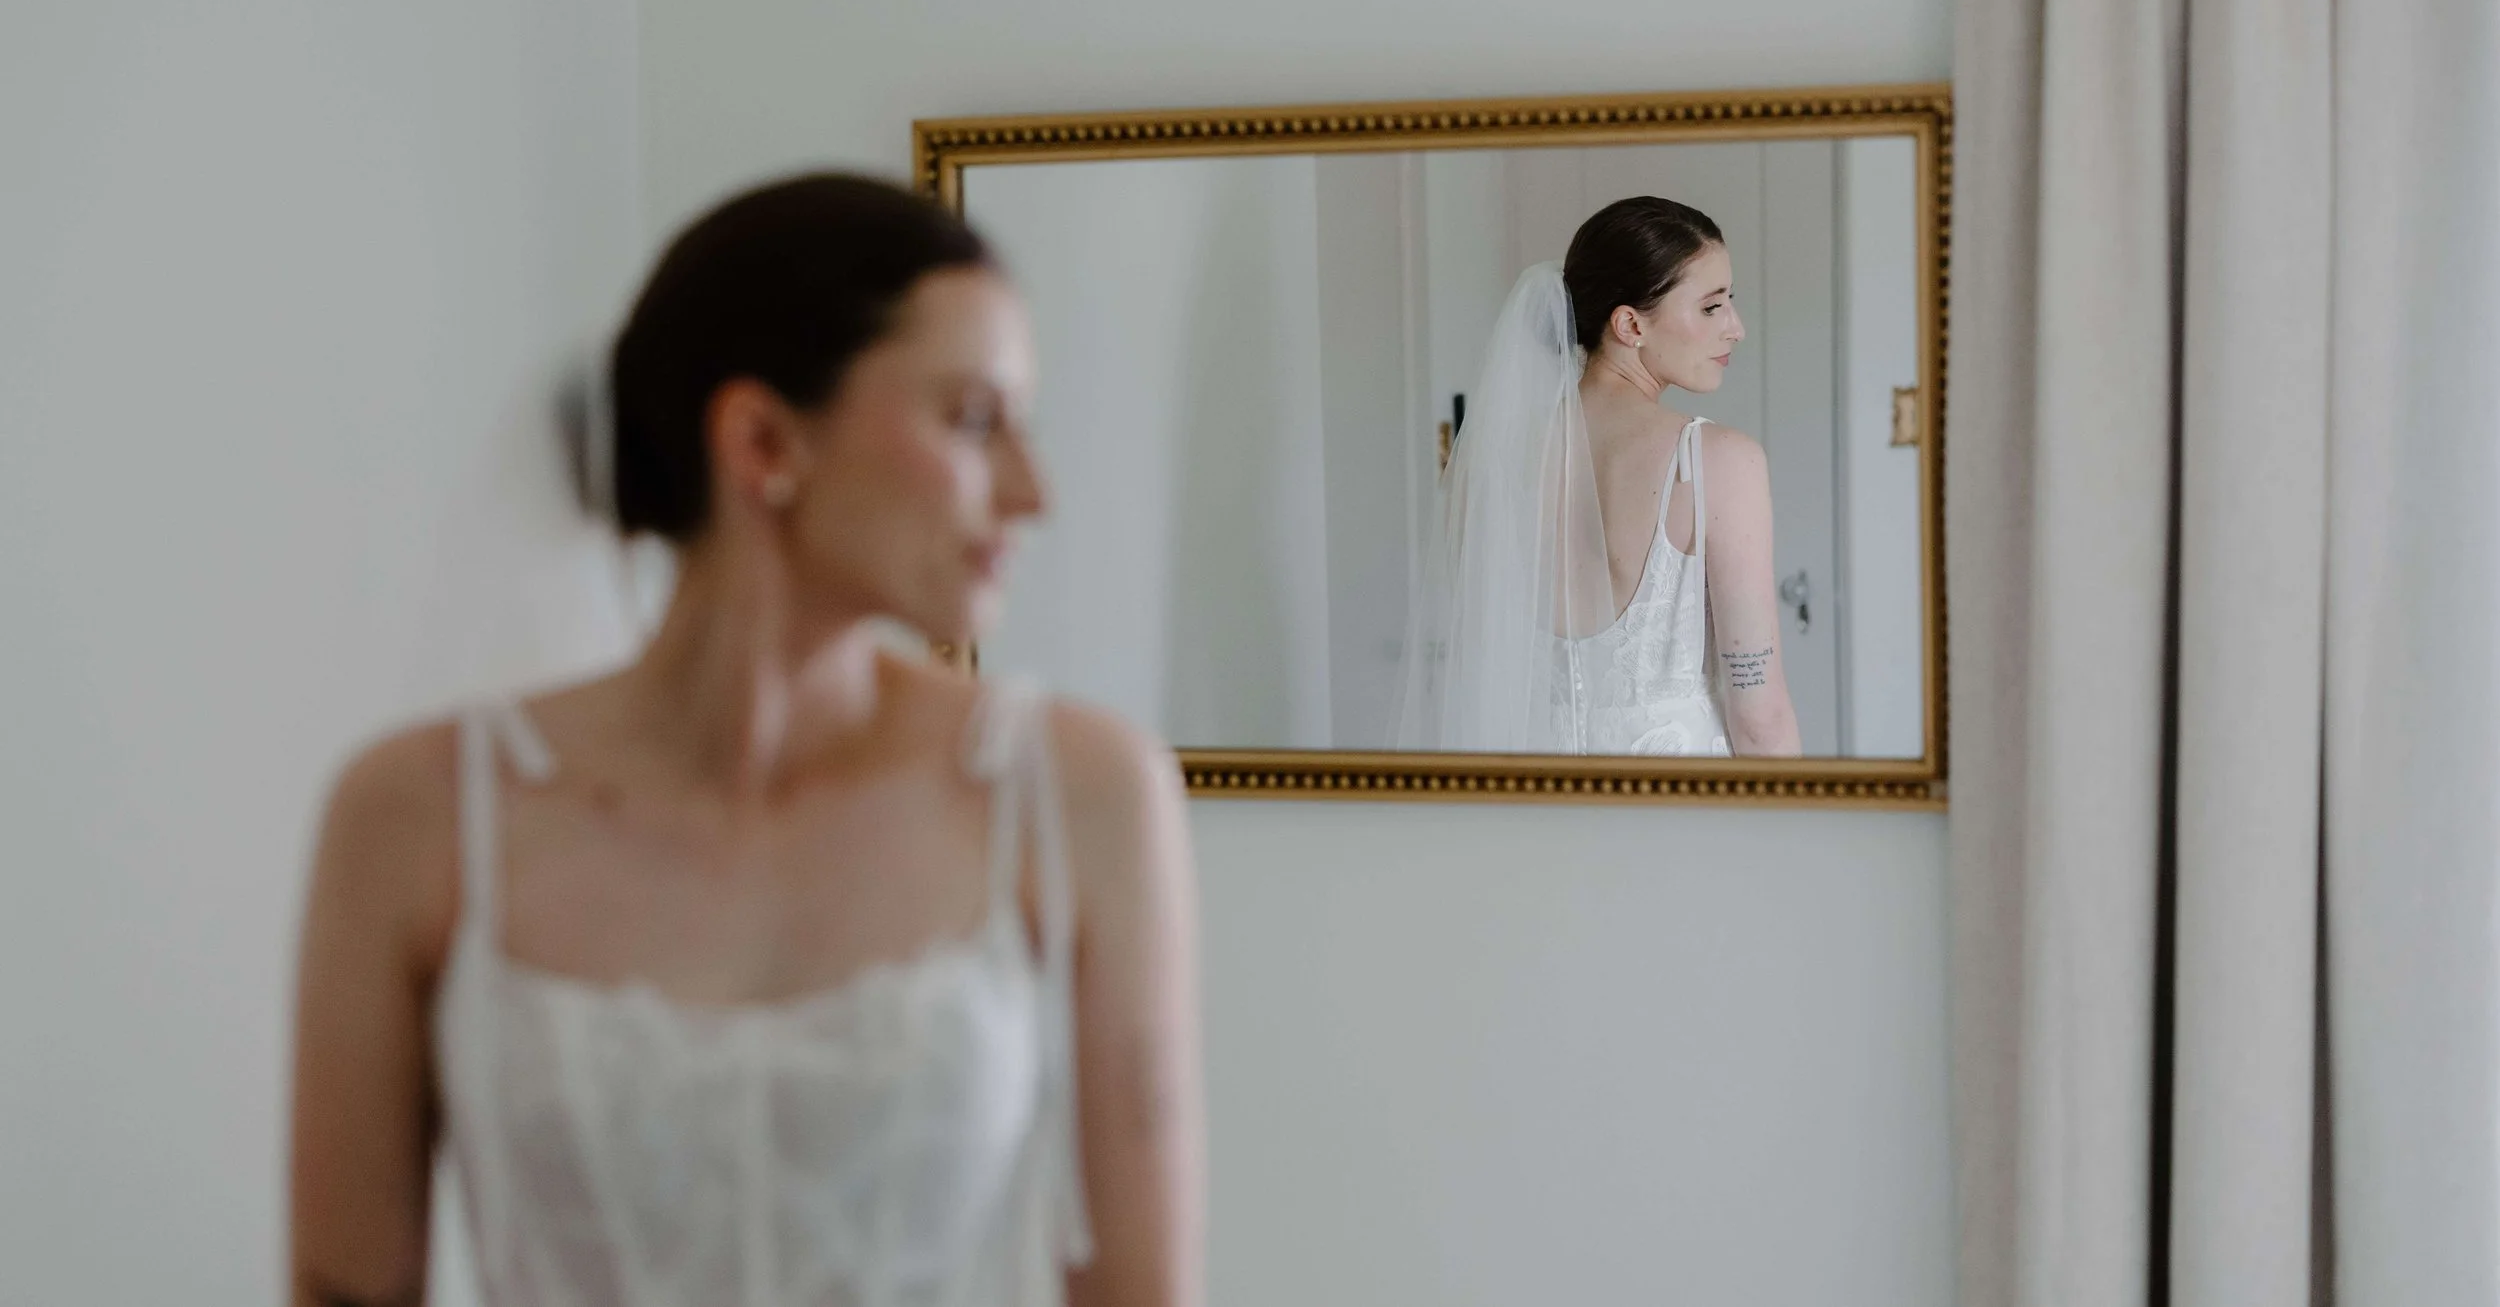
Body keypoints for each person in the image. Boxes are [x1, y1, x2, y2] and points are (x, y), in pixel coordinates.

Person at [289, 174, 1203, 1307]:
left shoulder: (1078, 793)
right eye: (973, 419)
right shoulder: (417, 813)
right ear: (763, 440)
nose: (1032, 491)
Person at [1396, 196, 1804, 758]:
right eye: (1712, 307)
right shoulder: (1720, 460)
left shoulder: (1489, 464)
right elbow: (1759, 714)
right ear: (1630, 324)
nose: (1736, 328)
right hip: (1686, 818)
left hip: (1546, 804)